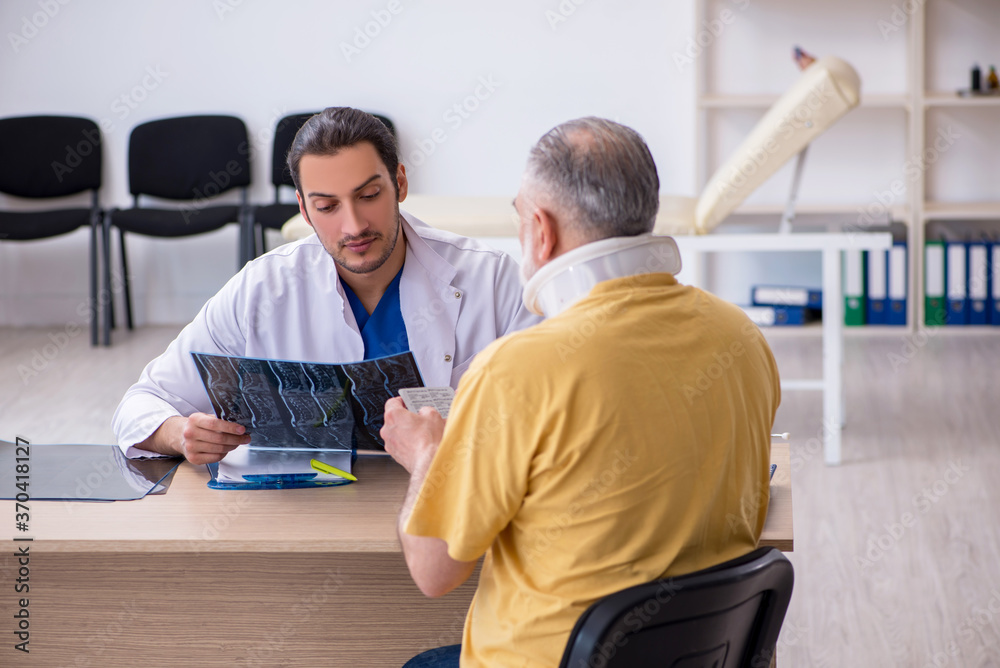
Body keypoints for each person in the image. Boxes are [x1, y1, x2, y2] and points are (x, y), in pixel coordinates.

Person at [380, 117, 781, 668]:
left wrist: (428, 453)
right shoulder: (741, 337)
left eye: (518, 219)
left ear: (540, 232)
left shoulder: (516, 369)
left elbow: (433, 572)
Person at [112, 107, 536, 464]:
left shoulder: (493, 280)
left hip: (448, 504)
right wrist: (178, 433)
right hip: (309, 513)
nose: (353, 226)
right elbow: (141, 403)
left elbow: (552, 418)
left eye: (369, 195)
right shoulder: (261, 289)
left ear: (400, 184)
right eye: (327, 206)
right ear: (303, 208)